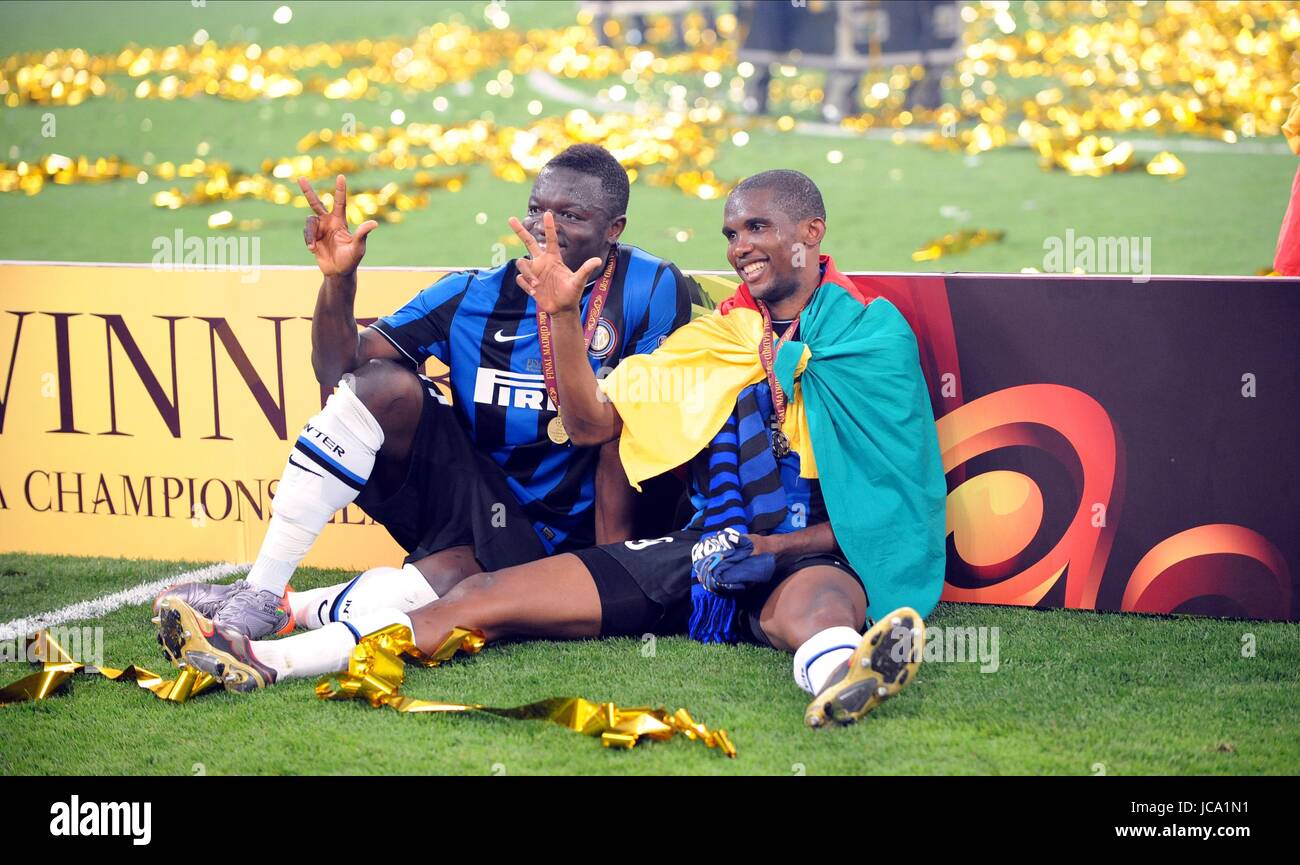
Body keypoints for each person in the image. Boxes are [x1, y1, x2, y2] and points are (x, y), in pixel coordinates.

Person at [157, 169, 947, 728]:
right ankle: (267, 647)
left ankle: (846, 670)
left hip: (795, 551)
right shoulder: (718, 335)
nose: (740, 244)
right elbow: (603, 421)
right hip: (663, 547)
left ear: (813, 232)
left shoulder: (867, 334)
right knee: (463, 593)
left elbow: (887, 506)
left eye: (758, 227)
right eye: (733, 231)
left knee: (816, 604)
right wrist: (559, 314)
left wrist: (769, 546)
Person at [154, 144, 702, 640]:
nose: (545, 227)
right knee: (379, 386)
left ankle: (291, 612)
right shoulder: (473, 293)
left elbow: (608, 429)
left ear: (615, 227)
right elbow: (336, 367)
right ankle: (262, 589)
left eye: (573, 216)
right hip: (488, 507)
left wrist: (608, 565)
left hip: (599, 520)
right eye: (537, 208)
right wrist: (338, 282)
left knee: (444, 583)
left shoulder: (653, 288)